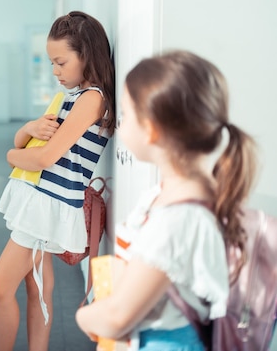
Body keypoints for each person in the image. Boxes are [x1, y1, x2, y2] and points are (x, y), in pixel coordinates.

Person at [75, 50, 257, 350]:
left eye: (126, 115)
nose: (121, 124)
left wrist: (85, 317)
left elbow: (117, 317)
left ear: (152, 130)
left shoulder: (179, 217)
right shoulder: (177, 194)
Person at [0, 11, 116, 351]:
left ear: (86, 55)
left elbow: (43, 157)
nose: (55, 72)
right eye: (52, 64)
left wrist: (9, 157)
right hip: (42, 199)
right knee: (37, 289)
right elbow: (26, 141)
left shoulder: (92, 98)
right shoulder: (72, 96)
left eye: (61, 63)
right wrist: (28, 129)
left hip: (47, 204)